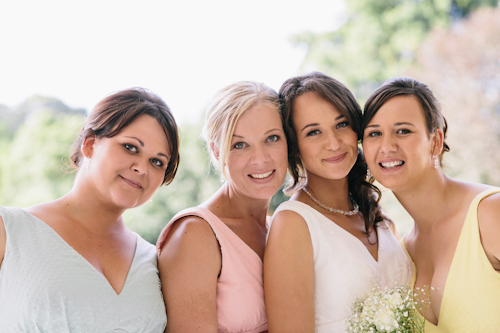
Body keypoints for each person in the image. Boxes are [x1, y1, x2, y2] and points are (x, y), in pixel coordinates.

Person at [0, 88, 180, 332]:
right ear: (90, 144)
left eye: (157, 162)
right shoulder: (10, 232)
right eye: (130, 147)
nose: (142, 168)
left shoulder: (155, 261)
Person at [264, 72, 413, 333]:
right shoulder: (292, 223)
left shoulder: (377, 215)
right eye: (313, 132)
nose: (333, 143)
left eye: (341, 124)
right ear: (294, 146)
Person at [361, 77, 500, 332]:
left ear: (435, 141)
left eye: (403, 130)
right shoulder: (401, 254)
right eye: (374, 133)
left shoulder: (490, 213)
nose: (387, 146)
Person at [156, 81, 288, 333]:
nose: (260, 158)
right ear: (217, 153)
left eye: (272, 138)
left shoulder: (279, 228)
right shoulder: (195, 234)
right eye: (239, 144)